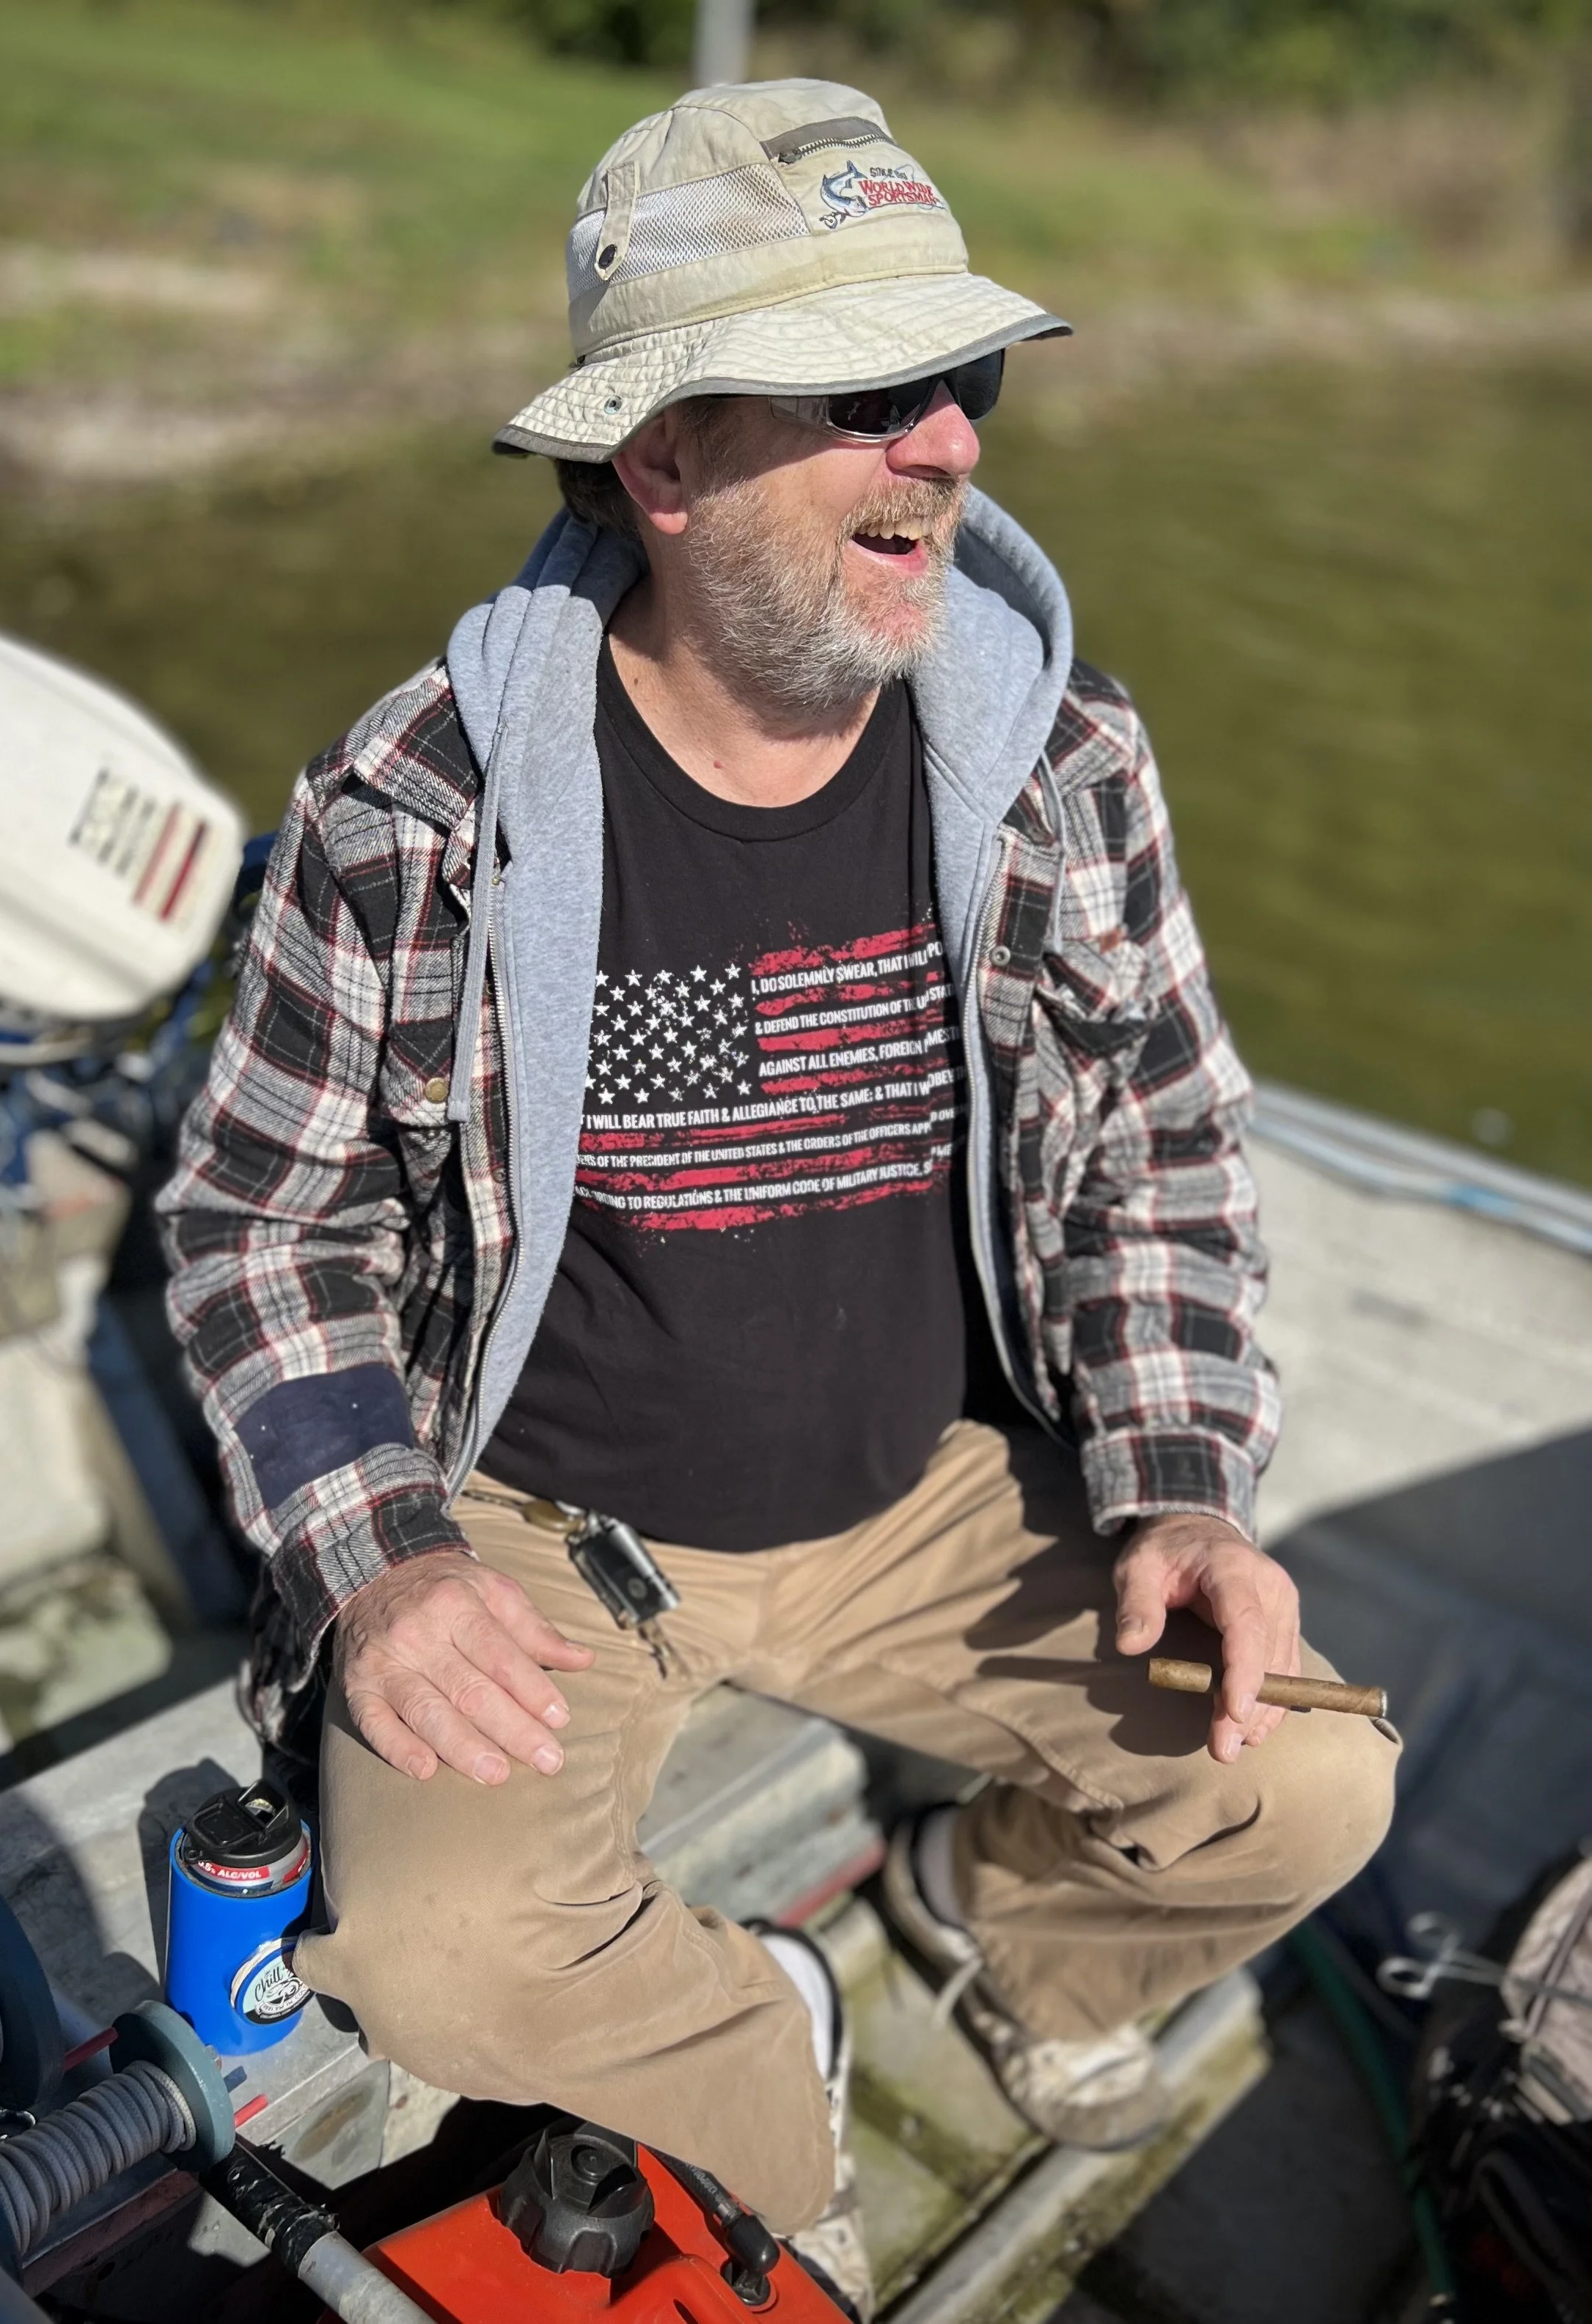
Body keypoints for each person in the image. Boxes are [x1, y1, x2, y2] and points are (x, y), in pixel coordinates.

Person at [159, 78, 1395, 2320]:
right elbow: (262, 1225)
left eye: (967, 373)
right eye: (868, 393)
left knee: (1309, 1793)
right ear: (660, 459)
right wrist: (386, 1556)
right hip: (548, 1527)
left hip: (930, 1492)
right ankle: (765, 2060)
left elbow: (1160, 1153)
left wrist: (1183, 1489)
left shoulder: (1068, 760)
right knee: (428, 1959)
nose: (954, 440)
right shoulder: (413, 807)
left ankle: (997, 1931)